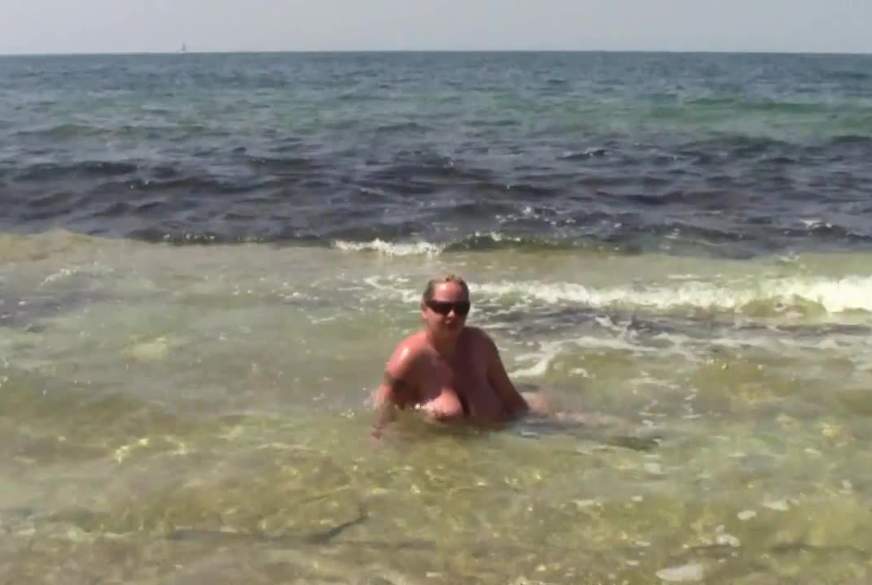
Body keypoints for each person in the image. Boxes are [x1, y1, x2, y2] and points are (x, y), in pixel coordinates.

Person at [371, 274, 545, 437]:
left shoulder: (481, 345)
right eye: (443, 308)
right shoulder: (409, 358)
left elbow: (513, 402)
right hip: (441, 451)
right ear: (424, 309)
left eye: (461, 308)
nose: (453, 315)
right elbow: (382, 422)